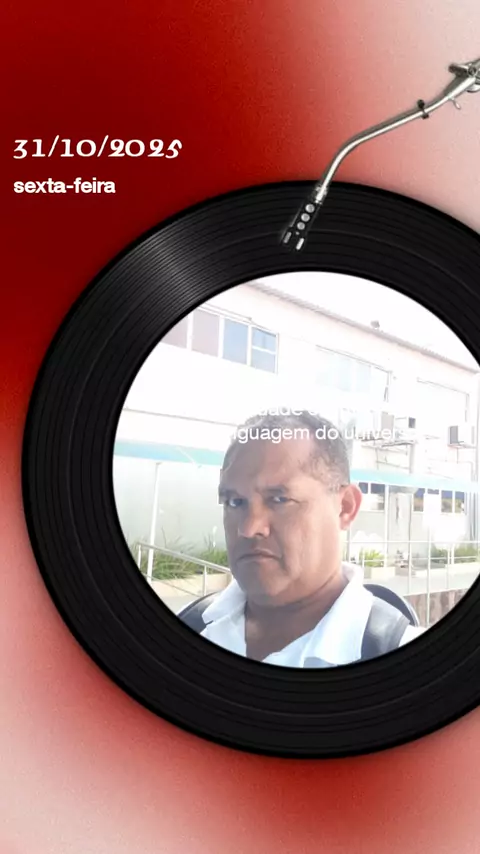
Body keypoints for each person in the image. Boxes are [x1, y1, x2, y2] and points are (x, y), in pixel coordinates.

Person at [198, 409, 425, 667]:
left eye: (279, 499)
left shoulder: (413, 667)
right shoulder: (188, 631)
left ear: (345, 507)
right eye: (235, 502)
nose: (249, 528)